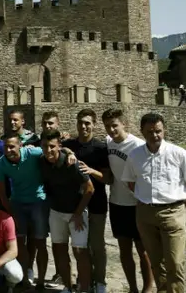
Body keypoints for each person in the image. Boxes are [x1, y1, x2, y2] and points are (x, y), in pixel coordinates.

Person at [122, 113, 186, 293]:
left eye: (158, 131)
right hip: (145, 215)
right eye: (150, 132)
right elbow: (130, 181)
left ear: (164, 130)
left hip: (172, 213)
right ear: (142, 131)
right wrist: (144, 198)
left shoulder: (179, 154)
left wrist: (180, 207)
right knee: (156, 263)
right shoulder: (135, 155)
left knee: (174, 263)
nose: (155, 135)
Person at [0, 135, 75, 291]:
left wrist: (70, 153)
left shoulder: (33, 153)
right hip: (18, 203)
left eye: (12, 146)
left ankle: (40, 281)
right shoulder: (0, 163)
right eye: (6, 147)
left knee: (40, 242)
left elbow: (55, 149)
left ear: (21, 145)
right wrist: (11, 212)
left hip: (38, 202)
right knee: (19, 243)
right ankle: (24, 277)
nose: (9, 150)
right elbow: (2, 193)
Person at [102, 109, 155, 293]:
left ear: (124, 124)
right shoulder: (108, 143)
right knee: (124, 250)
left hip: (137, 205)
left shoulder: (138, 146)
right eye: (108, 126)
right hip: (117, 203)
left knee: (144, 251)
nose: (111, 130)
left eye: (114, 125)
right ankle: (132, 288)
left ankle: (148, 288)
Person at [62, 109, 111, 293]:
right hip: (75, 204)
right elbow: (57, 147)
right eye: (81, 122)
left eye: (87, 123)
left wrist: (91, 171)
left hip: (97, 203)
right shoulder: (70, 144)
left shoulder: (100, 148)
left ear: (94, 124)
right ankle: (86, 280)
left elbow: (108, 179)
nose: (83, 126)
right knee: (79, 247)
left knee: (97, 245)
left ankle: (100, 281)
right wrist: (67, 151)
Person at [40, 130, 94, 293]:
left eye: (52, 147)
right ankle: (68, 287)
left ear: (59, 147)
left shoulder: (71, 163)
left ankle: (84, 288)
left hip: (76, 212)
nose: (48, 150)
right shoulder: (42, 161)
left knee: (79, 250)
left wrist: (78, 213)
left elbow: (89, 189)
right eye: (45, 146)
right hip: (56, 212)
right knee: (59, 250)